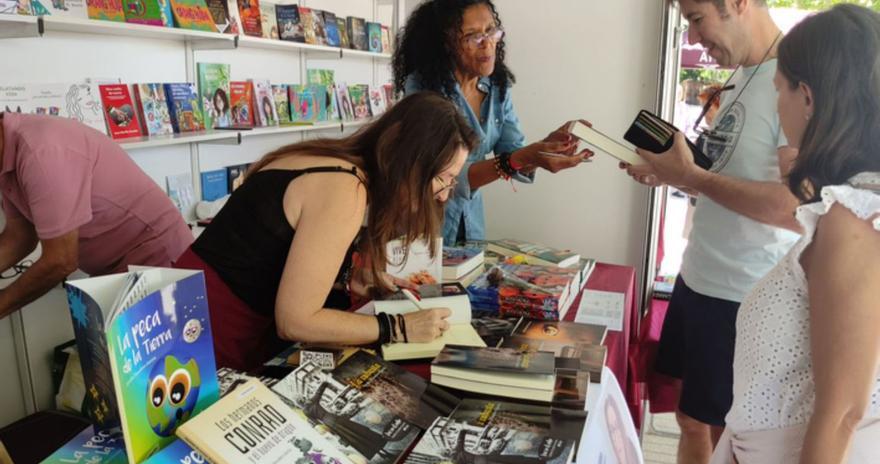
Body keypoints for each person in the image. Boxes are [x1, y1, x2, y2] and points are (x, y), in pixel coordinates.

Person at [696, 5, 880, 464]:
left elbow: (842, 411)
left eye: (779, 89)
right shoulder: (852, 205)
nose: (778, 104)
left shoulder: (855, 220)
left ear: (809, 97)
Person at [620, 0, 802, 464]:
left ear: (738, 4)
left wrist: (693, 175)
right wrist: (676, 175)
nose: (695, 38)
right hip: (702, 276)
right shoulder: (745, 73)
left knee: (736, 445)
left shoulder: (795, 78)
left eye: (697, 18)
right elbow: (729, 181)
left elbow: (795, 205)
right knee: (690, 421)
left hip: (744, 294)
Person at [174, 92, 478, 371]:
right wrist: (399, 327)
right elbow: (295, 321)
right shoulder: (344, 188)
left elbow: (268, 258)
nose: (443, 196)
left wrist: (348, 278)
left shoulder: (334, 162)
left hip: (189, 311)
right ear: (409, 161)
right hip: (205, 337)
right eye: (443, 178)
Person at [393, 0, 592, 245]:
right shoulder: (424, 87)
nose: (488, 44)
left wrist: (545, 147)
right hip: (424, 221)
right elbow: (440, 174)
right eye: (473, 36)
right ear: (446, 43)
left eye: (491, 31)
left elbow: (513, 152)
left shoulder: (498, 87)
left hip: (471, 221)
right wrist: (520, 159)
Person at [0, 112, 192, 319]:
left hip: (156, 260)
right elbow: (19, 237)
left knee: (168, 350)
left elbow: (61, 259)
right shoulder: (8, 154)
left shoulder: (41, 151)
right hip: (116, 271)